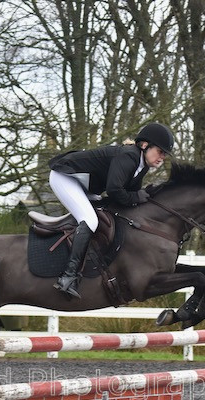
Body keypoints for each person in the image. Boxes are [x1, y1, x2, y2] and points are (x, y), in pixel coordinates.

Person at [47, 122, 174, 298]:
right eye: (160, 151)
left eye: (165, 154)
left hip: (84, 186)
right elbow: (115, 191)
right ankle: (68, 277)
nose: (162, 157)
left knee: (103, 214)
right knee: (90, 220)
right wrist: (138, 196)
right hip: (65, 177)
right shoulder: (129, 156)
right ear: (145, 145)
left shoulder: (141, 165)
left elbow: (128, 196)